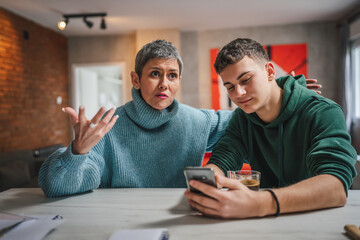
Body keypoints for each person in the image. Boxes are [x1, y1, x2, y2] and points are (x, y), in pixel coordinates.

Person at [39, 39, 321, 198]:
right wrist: (77, 152)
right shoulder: (107, 126)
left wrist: (282, 92)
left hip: (180, 218)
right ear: (136, 79)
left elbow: (248, 113)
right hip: (120, 223)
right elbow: (56, 187)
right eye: (154, 74)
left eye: (172, 75)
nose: (164, 84)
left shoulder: (197, 121)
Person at [184, 38, 357, 219]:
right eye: (230, 87)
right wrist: (206, 183)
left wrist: (260, 203)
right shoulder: (242, 118)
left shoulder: (323, 112)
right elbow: (223, 160)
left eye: (246, 80)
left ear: (269, 71)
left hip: (318, 217)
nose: (239, 93)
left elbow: (336, 187)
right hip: (266, 220)